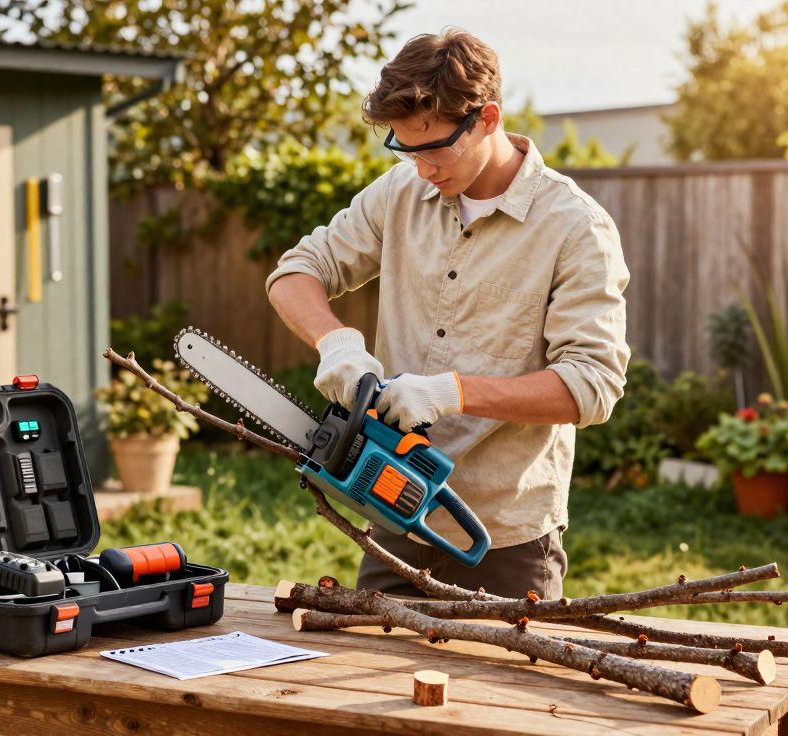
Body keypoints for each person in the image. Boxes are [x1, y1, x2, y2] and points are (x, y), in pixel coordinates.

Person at [265, 28, 630, 599]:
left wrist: (453, 392)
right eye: (407, 149)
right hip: (390, 507)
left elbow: (592, 386)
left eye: (435, 147)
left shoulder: (574, 227)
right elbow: (295, 272)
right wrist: (335, 341)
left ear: (487, 119)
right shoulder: (399, 195)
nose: (422, 168)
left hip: (505, 535)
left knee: (505, 690)